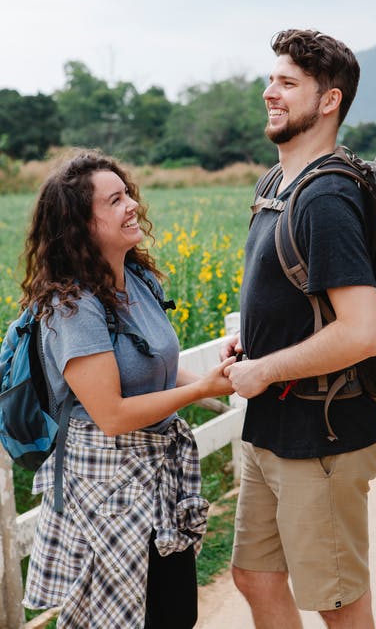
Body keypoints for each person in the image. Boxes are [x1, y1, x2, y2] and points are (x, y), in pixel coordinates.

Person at [21, 149, 235, 629]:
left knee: (176, 612)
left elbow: (156, 367)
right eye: (114, 201)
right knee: (122, 619)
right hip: (106, 486)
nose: (132, 206)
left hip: (156, 476)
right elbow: (112, 414)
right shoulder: (72, 307)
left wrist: (222, 385)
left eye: (127, 194)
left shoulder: (135, 279)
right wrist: (200, 388)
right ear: (80, 226)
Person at [222, 29, 376, 629]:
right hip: (273, 427)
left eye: (288, 83)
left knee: (336, 602)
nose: (270, 92)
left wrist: (264, 369)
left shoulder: (327, 198)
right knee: (255, 576)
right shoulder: (277, 185)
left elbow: (363, 332)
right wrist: (259, 345)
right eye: (272, 79)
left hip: (321, 434)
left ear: (328, 101)